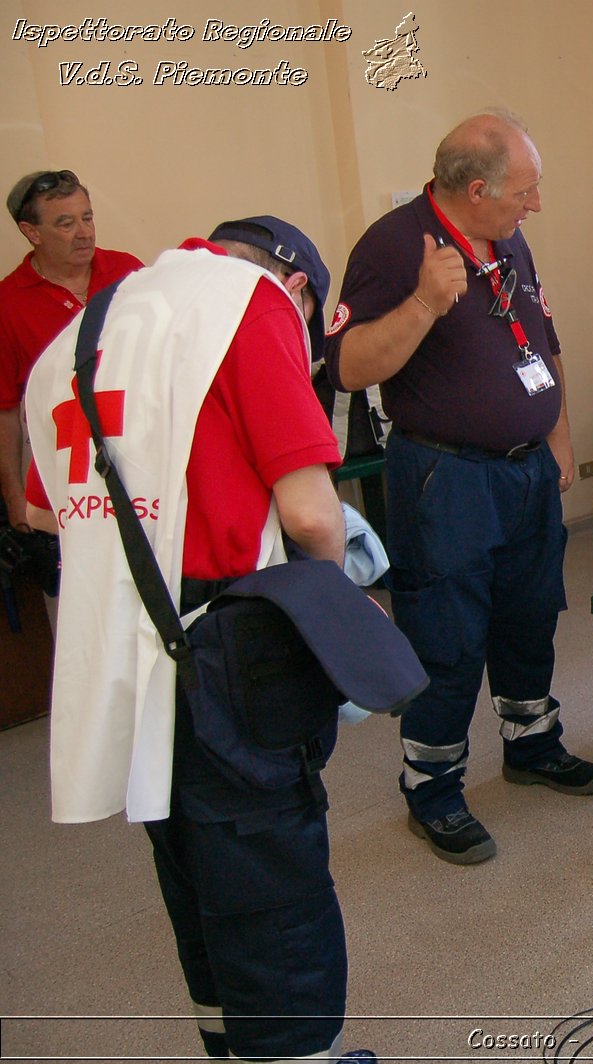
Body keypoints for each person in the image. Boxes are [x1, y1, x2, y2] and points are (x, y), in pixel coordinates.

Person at [24, 217, 376, 1061]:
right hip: (229, 647)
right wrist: (333, 607)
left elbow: (40, 512)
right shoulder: (246, 303)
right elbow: (309, 512)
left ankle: (231, 1045)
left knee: (192, 870)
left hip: (122, 643)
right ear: (296, 289)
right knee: (271, 887)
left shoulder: (79, 337)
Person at [324, 109, 593, 866]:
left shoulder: (506, 234)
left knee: (528, 617)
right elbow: (348, 369)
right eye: (526, 190)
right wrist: (422, 303)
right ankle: (434, 788)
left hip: (526, 471)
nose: (535, 204)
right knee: (446, 640)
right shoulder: (392, 247)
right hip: (447, 477)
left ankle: (531, 743)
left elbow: (539, 345)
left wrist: (558, 446)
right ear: (475, 188)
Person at [1, 170, 141, 537]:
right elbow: (5, 412)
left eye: (88, 217)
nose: (84, 233)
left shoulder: (127, 271)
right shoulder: (8, 303)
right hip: (66, 467)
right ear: (31, 232)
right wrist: (18, 503)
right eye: (66, 223)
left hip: (141, 450)